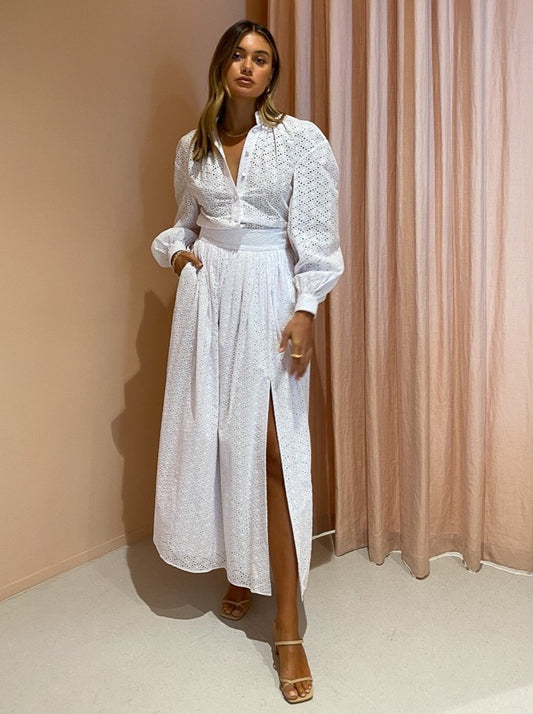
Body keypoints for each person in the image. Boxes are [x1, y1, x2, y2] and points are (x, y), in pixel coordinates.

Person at [151, 19, 343, 704]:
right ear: (221, 66)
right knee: (219, 440)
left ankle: (287, 629)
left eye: (261, 58)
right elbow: (184, 222)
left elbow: (316, 239)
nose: (248, 66)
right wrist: (177, 253)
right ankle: (238, 569)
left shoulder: (298, 140)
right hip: (207, 301)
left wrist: (306, 309)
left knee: (271, 450)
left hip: (269, 293)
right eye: (238, 54)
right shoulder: (193, 146)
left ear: (271, 75)